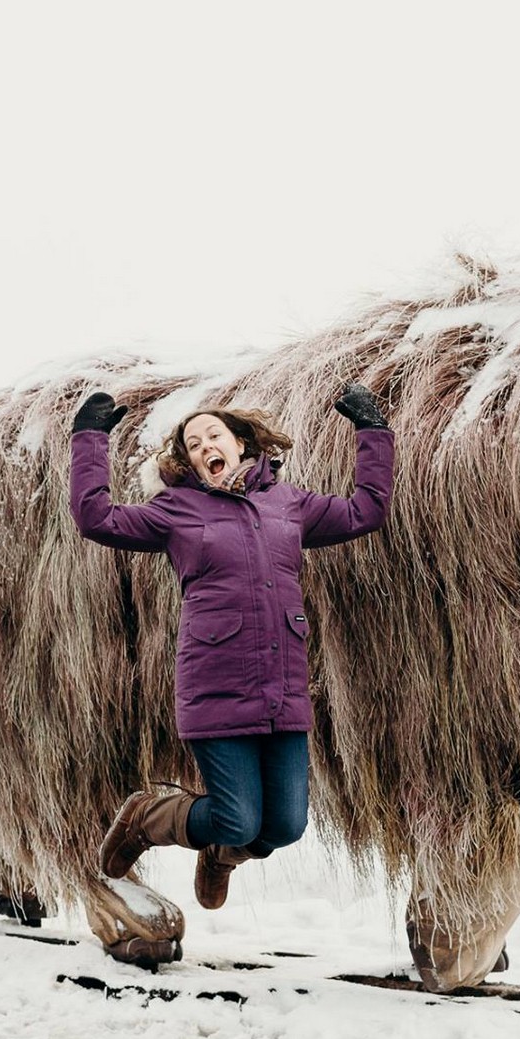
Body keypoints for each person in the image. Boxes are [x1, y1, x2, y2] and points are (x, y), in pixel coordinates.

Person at [68, 382, 393, 909]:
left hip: (282, 687)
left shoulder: (288, 504)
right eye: (193, 446)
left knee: (284, 826)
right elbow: (96, 518)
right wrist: (90, 439)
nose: (203, 448)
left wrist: (372, 432)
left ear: (240, 443)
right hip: (215, 684)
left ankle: (221, 854)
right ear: (191, 465)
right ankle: (146, 816)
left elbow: (366, 511)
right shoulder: (176, 509)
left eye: (212, 436)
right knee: (238, 817)